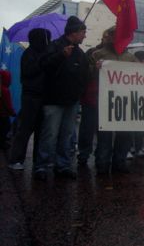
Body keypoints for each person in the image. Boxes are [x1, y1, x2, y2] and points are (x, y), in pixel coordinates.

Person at [34, 16, 89, 181]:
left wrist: (78, 93)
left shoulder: (80, 53)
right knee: (50, 134)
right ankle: (41, 166)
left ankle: (62, 165)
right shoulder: (55, 46)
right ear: (74, 32)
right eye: (83, 32)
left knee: (66, 135)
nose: (84, 36)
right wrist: (60, 56)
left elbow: (85, 75)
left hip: (71, 101)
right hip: (54, 100)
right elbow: (43, 65)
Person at [93, 26, 144, 174]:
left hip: (125, 102)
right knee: (105, 135)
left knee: (125, 134)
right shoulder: (98, 54)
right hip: (105, 101)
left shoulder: (130, 58)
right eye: (116, 35)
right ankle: (102, 163)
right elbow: (87, 76)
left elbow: (138, 76)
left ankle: (119, 162)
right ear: (111, 37)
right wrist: (95, 68)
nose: (119, 39)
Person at [9, 29, 50, 170]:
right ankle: (16, 159)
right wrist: (42, 61)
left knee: (41, 130)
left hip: (44, 96)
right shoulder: (29, 54)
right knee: (25, 129)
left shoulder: (44, 54)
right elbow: (28, 72)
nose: (47, 41)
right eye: (46, 38)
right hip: (31, 96)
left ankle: (37, 160)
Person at [76, 33, 106, 166]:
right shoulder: (93, 52)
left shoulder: (120, 55)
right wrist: (94, 68)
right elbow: (83, 72)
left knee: (104, 130)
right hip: (92, 97)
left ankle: (102, 155)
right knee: (87, 127)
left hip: (107, 100)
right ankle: (84, 153)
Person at [0, 70, 16, 150]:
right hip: (3, 116)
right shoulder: (5, 90)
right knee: (6, 132)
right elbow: (8, 104)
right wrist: (13, 113)